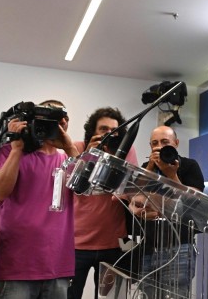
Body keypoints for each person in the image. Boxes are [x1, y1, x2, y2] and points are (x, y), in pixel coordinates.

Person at [0, 99, 79, 298]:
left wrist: (69, 147)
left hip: (57, 267)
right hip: (16, 267)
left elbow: (87, 190)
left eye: (57, 120)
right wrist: (16, 149)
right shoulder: (11, 152)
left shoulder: (69, 160)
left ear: (65, 123)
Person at [68, 107, 138, 299]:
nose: (109, 134)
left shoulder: (125, 152)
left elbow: (130, 190)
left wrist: (115, 156)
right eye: (103, 129)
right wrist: (90, 155)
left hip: (115, 244)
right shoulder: (78, 148)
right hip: (76, 244)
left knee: (114, 297)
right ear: (92, 132)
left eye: (114, 130)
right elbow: (68, 187)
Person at [128, 125, 205, 298]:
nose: (159, 146)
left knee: (176, 294)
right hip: (148, 247)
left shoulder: (189, 165)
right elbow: (134, 195)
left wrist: (172, 175)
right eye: (154, 143)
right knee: (147, 294)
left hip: (179, 247)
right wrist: (149, 166)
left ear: (176, 143)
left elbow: (194, 200)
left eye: (165, 142)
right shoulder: (146, 168)